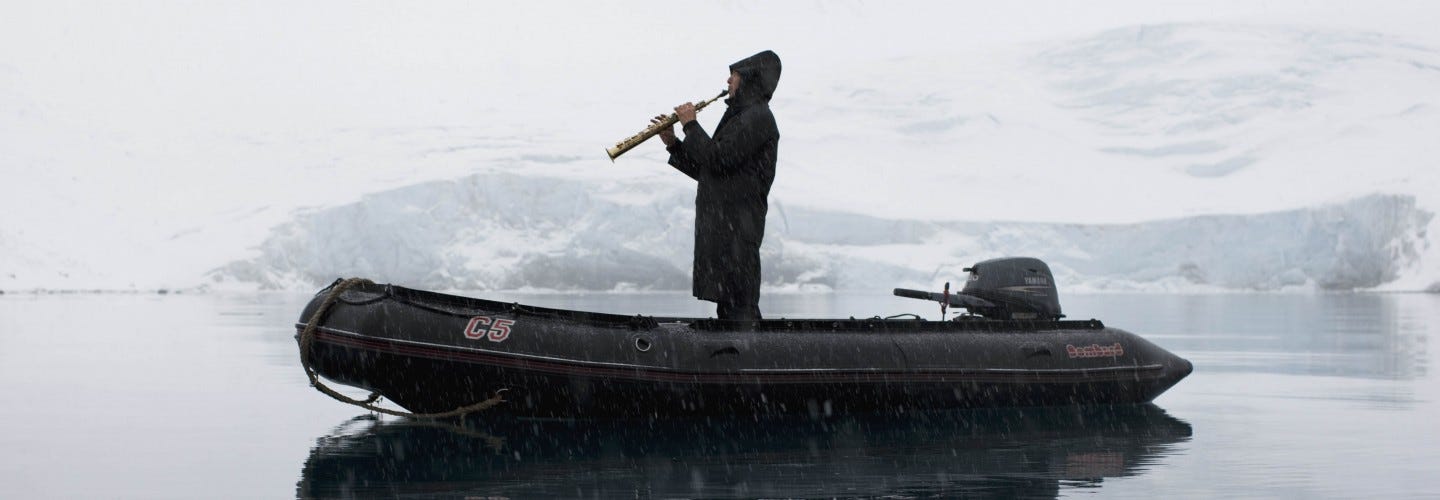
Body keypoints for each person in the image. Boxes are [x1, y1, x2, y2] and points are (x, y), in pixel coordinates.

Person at [652, 50, 781, 323]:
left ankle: (746, 346)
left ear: (749, 79)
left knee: (740, 306)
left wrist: (691, 126)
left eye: (734, 75)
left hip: (738, 227)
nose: (728, 81)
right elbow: (710, 171)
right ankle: (736, 344)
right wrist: (674, 144)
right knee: (729, 306)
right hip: (725, 228)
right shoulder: (740, 117)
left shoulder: (757, 117)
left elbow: (718, 159)